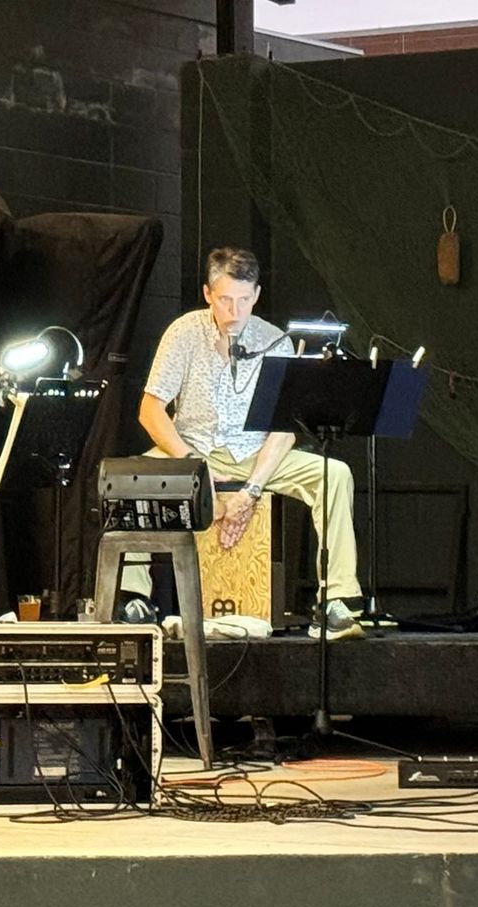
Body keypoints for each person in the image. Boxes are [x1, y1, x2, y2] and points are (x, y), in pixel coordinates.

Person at [135, 246, 363, 639]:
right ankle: (134, 600)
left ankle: (335, 599)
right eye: (225, 300)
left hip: (256, 453)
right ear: (208, 294)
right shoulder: (184, 333)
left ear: (256, 295)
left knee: (334, 474)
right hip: (194, 448)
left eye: (243, 300)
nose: (234, 311)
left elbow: (285, 427)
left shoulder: (275, 341)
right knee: (133, 479)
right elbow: (150, 411)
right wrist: (194, 465)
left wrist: (252, 489)